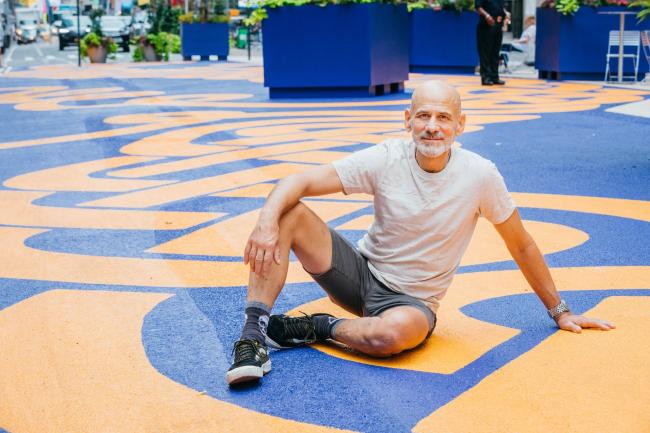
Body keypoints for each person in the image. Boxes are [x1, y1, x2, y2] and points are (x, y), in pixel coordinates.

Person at [226, 80, 615, 386]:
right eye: (423, 116)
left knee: (391, 337)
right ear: (407, 118)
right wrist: (265, 222)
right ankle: (252, 337)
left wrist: (559, 311)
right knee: (287, 211)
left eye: (444, 118)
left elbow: (522, 244)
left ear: (460, 125)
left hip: (413, 302)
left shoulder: (480, 175)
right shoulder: (386, 157)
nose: (432, 127)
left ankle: (316, 326)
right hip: (359, 275)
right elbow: (300, 180)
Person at [475, 0, 510, 85]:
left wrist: (505, 14)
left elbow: (500, 8)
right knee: (485, 51)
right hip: (486, 24)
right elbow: (478, 7)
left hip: (498, 24)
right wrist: (487, 16)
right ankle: (486, 77)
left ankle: (494, 76)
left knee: (495, 51)